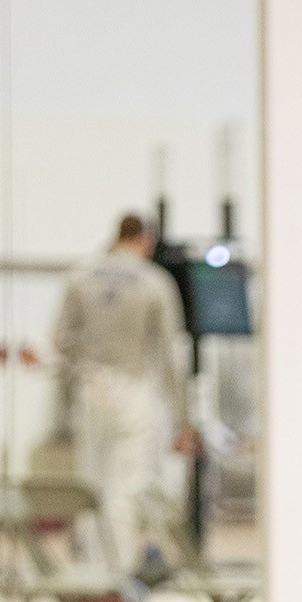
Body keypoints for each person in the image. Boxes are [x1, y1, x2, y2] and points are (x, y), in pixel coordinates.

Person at [54, 213, 191, 576]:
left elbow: (60, 341)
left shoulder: (81, 275)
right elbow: (171, 356)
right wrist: (184, 419)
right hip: (132, 392)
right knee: (125, 490)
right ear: (146, 241)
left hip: (91, 389)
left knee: (90, 485)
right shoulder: (154, 281)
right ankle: (117, 583)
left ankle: (88, 574)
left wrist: (88, 371)